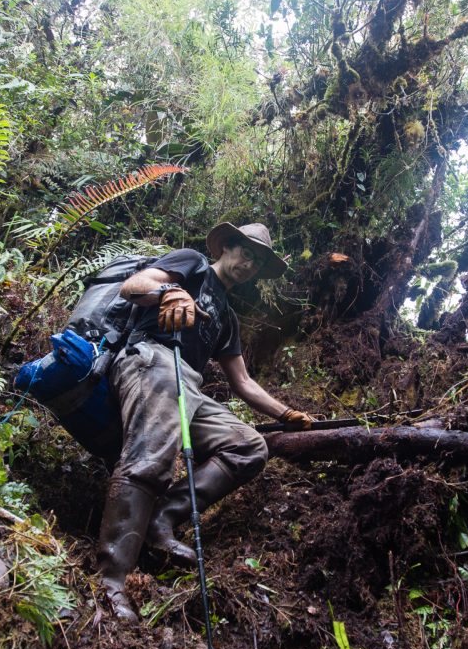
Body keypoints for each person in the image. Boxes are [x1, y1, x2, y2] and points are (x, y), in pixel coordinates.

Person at [96, 222, 314, 621]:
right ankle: (111, 582)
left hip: (189, 385)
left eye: (259, 261)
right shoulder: (193, 264)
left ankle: (163, 518)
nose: (250, 264)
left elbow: (243, 381)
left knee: (248, 447)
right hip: (149, 360)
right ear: (227, 247)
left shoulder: (228, 318)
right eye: (246, 252)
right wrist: (169, 291)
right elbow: (134, 285)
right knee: (152, 455)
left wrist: (285, 413)